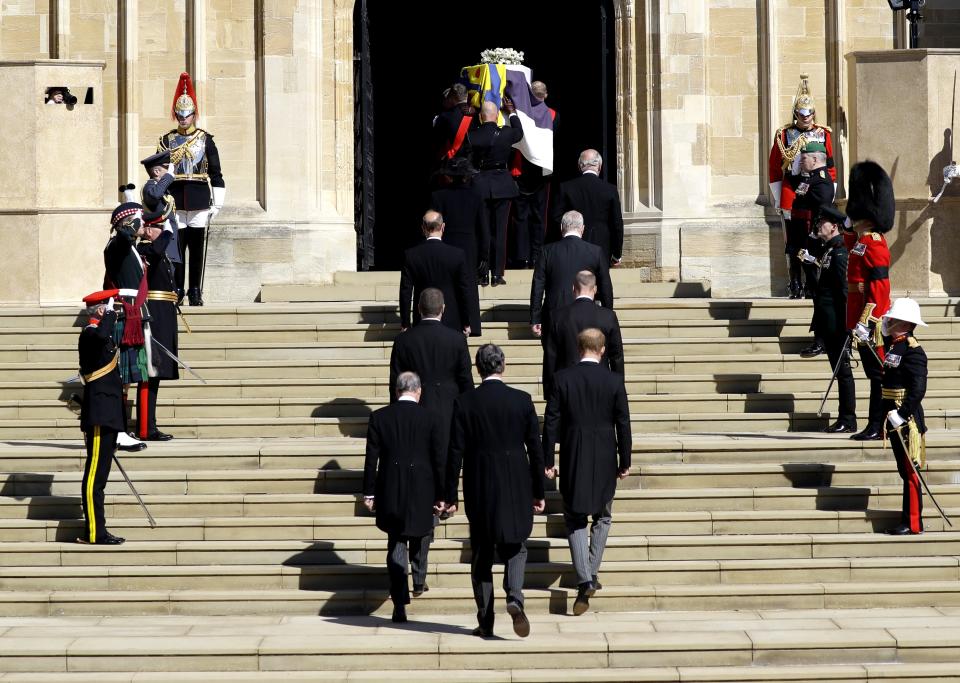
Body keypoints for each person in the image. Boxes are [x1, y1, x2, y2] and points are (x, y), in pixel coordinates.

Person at [445, 344, 546, 638]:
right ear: (503, 365)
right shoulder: (522, 400)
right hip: (516, 483)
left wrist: (450, 496)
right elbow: (536, 452)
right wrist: (538, 491)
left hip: (480, 486)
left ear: (478, 368)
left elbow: (455, 453)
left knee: (482, 555)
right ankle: (514, 595)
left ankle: (486, 620)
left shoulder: (465, 403)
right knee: (516, 545)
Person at [542, 328, 631, 616]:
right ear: (602, 350)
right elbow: (623, 423)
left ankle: (585, 578)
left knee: (575, 516)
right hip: (605, 452)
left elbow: (551, 423)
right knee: (603, 515)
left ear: (579, 348)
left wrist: (548, 459)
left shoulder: (562, 379)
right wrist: (625, 459)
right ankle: (589, 575)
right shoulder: (614, 380)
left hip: (573, 452)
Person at [362, 372, 445, 623]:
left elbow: (371, 459)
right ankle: (418, 579)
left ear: (398, 391)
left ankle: (400, 602)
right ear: (418, 391)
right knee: (422, 531)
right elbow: (439, 460)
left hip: (391, 487)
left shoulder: (380, 417)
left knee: (397, 541)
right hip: (423, 486)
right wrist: (443, 494)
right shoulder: (431, 417)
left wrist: (369, 492)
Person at [157, 72, 225, 306]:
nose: (183, 118)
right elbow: (158, 172)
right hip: (175, 199)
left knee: (196, 248)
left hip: (198, 198)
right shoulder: (167, 140)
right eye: (180, 115)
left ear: (194, 114)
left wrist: (217, 203)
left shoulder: (205, 139)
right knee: (176, 249)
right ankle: (177, 289)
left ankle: (195, 289)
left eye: (187, 115)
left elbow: (216, 173)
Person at [103, 197, 163, 453]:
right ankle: (117, 431)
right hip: (126, 316)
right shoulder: (117, 245)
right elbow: (122, 239)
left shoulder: (133, 248)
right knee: (121, 378)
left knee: (129, 377)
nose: (144, 224)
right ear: (129, 222)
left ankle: (121, 430)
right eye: (139, 220)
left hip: (135, 314)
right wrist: (130, 225)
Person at [390, 288, 473, 459]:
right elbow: (465, 380)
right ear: (443, 308)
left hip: (414, 410)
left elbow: (396, 383)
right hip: (449, 410)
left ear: (419, 308)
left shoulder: (403, 340)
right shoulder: (457, 339)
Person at [846, 161, 895, 441]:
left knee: (878, 376)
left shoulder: (874, 242)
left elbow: (879, 287)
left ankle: (878, 426)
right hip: (858, 318)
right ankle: (875, 425)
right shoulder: (861, 240)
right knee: (872, 375)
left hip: (871, 322)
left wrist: (867, 321)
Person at [135, 162, 181, 442]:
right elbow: (156, 248)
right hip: (153, 315)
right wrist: (163, 231)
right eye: (157, 228)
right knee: (148, 374)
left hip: (164, 314)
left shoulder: (155, 251)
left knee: (156, 374)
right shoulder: (144, 249)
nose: (163, 231)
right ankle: (145, 427)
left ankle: (149, 425)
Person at [768, 74, 836, 260]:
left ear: (814, 113)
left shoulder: (823, 133)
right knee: (792, 238)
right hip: (793, 186)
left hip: (817, 188)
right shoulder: (784, 134)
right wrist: (777, 195)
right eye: (802, 114)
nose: (806, 118)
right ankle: (795, 278)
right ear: (796, 114)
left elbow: (830, 165)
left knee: (818, 231)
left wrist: (830, 190)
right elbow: (774, 167)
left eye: (810, 114)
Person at [76, 294, 126, 545]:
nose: (114, 313)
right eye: (110, 309)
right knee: (94, 476)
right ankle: (95, 532)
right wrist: (107, 315)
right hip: (99, 414)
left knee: (100, 476)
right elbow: (100, 335)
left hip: (109, 414)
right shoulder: (90, 334)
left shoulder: (102, 336)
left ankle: (99, 528)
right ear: (98, 311)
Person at [805, 204, 856, 433]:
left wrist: (847, 325)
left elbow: (843, 291)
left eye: (822, 223)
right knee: (839, 371)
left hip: (837, 323)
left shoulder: (840, 251)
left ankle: (848, 417)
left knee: (842, 372)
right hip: (828, 322)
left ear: (834, 226)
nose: (818, 226)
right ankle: (844, 416)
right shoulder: (829, 249)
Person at [880, 298, 928, 535]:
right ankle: (907, 518)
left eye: (894, 318)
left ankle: (913, 522)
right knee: (903, 470)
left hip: (906, 419)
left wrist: (902, 414)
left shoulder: (913, 350)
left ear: (906, 323)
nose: (889, 321)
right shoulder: (895, 345)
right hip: (893, 416)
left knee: (910, 472)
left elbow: (917, 389)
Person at [530, 211, 613, 342]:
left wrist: (535, 317)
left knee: (553, 359)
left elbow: (538, 285)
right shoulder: (595, 251)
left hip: (554, 314)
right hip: (587, 315)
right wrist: (608, 316)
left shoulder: (546, 251)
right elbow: (605, 286)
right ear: (583, 228)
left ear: (561, 228)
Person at [469, 100, 524, 286]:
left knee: (482, 230)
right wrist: (512, 112)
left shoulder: (473, 135)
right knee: (500, 231)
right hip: (503, 185)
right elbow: (519, 132)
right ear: (497, 116)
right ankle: (498, 274)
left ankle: (482, 274)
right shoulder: (506, 133)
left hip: (480, 185)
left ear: (480, 116)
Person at [544, 270, 624, 394]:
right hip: (601, 383)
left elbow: (550, 356)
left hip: (566, 385)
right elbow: (616, 356)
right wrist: (618, 387)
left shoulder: (558, 317)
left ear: (573, 288)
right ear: (595, 289)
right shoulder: (608, 316)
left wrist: (549, 391)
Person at [430, 157, 486, 334]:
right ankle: (472, 324)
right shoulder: (476, 197)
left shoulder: (438, 196)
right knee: (467, 285)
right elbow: (483, 229)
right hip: (469, 247)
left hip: (446, 244)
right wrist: (484, 255)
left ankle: (447, 320)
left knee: (446, 284)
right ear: (466, 176)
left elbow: (434, 224)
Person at [399, 211, 471, 335]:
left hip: (421, 320)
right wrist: (466, 322)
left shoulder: (411, 255)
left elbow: (405, 291)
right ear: (443, 227)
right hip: (451, 321)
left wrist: (405, 323)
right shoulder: (457, 255)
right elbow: (463, 291)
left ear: (423, 229)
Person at [510, 80, 557, 269]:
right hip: (540, 173)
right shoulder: (553, 115)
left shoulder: (521, 115)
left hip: (521, 171)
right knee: (538, 217)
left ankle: (521, 258)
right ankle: (537, 256)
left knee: (520, 217)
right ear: (546, 95)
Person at [553, 149, 624, 266]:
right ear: (599, 166)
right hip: (602, 248)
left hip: (572, 247)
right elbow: (617, 224)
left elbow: (556, 219)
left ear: (580, 166)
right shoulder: (610, 189)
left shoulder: (566, 187)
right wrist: (617, 254)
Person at [785, 142, 835, 300]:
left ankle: (812, 289)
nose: (801, 160)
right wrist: (790, 172)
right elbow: (798, 190)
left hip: (810, 230)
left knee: (810, 262)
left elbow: (822, 207)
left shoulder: (822, 180)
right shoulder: (811, 178)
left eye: (804, 157)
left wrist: (815, 232)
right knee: (797, 255)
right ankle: (799, 287)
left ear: (815, 159)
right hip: (799, 228)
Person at [139, 150, 183, 300]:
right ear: (157, 171)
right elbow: (153, 197)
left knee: (171, 271)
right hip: (159, 240)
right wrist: (169, 177)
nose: (171, 172)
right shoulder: (149, 187)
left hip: (169, 239)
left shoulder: (162, 189)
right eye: (166, 168)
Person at [432, 83, 475, 163]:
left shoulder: (445, 117)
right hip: (471, 165)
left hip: (450, 164)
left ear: (451, 98)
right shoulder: (477, 115)